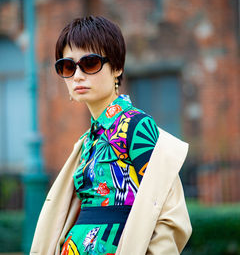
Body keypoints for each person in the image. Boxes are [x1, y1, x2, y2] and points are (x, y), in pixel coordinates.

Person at [31, 16, 192, 255]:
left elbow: (167, 214)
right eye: (68, 66)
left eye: (90, 63)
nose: (77, 75)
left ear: (117, 68)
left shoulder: (136, 125)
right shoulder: (88, 140)